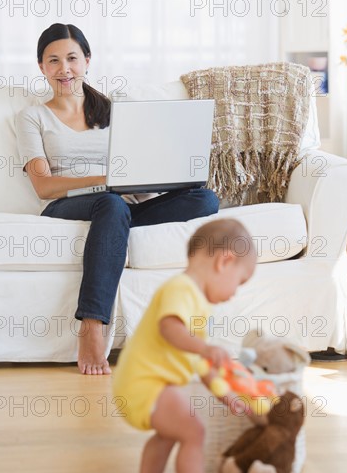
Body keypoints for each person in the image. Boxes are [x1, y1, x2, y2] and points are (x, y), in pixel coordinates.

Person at [15, 23, 219, 376]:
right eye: (54, 61)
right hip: (68, 205)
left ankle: (115, 223)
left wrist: (144, 180)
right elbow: (44, 187)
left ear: (87, 61)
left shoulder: (113, 111)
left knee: (203, 198)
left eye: (72, 59)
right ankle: (93, 324)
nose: (65, 69)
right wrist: (106, 182)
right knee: (110, 203)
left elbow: (140, 167)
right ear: (41, 67)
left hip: (120, 204)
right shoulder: (32, 116)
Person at [113, 219, 265, 473]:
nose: (235, 293)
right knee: (193, 431)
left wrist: (227, 396)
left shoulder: (196, 303)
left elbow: (200, 363)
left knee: (171, 432)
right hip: (145, 383)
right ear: (225, 261)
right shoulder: (182, 289)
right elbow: (170, 329)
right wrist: (206, 347)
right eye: (240, 281)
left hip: (141, 384)